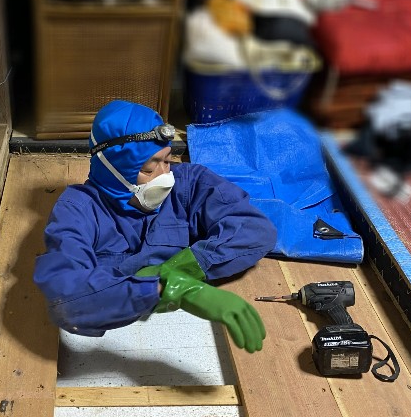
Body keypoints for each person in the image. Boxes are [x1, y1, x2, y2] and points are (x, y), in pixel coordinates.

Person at [33, 101, 277, 353]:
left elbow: (255, 229)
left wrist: (180, 270)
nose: (164, 176)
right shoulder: (78, 209)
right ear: (113, 168)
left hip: (181, 334)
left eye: (167, 160)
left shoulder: (189, 183)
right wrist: (170, 290)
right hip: (118, 337)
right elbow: (65, 296)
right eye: (148, 168)